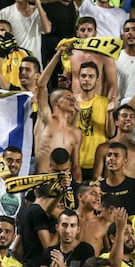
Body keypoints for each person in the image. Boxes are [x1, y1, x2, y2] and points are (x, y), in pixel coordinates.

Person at [34, 44, 82, 182]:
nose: (73, 100)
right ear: (56, 102)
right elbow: (41, 84)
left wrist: (77, 186)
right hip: (41, 182)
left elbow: (76, 166)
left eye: (74, 98)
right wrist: (57, 56)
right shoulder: (46, 118)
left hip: (63, 186)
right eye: (68, 98)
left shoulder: (76, 133)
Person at [65, 16, 117, 102]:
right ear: (77, 33)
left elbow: (112, 85)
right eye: (82, 30)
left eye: (89, 30)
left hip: (97, 104)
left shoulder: (105, 55)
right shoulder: (71, 54)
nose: (86, 33)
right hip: (75, 104)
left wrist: (109, 106)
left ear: (95, 33)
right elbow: (65, 82)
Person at [75, 61, 112, 180]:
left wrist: (110, 113)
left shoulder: (105, 103)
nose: (86, 80)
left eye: (91, 76)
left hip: (99, 164)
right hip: (75, 164)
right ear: (78, 78)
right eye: (83, 76)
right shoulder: (70, 102)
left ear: (97, 80)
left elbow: (111, 134)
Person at [0, 0, 51, 66]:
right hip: (13, 63)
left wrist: (38, 4)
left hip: (33, 64)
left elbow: (47, 29)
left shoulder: (37, 13)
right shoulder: (5, 12)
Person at [93, 105, 135, 179]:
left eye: (132, 117)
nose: (128, 118)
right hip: (108, 190)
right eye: (124, 116)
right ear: (116, 122)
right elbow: (96, 177)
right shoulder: (103, 148)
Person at [100, 142, 135, 214]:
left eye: (116, 155)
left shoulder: (133, 186)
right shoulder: (98, 187)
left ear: (125, 161)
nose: (111, 158)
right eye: (109, 155)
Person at [116, 19, 135, 104]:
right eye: (126, 30)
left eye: (134, 29)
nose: (130, 32)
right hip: (119, 111)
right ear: (122, 36)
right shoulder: (115, 58)